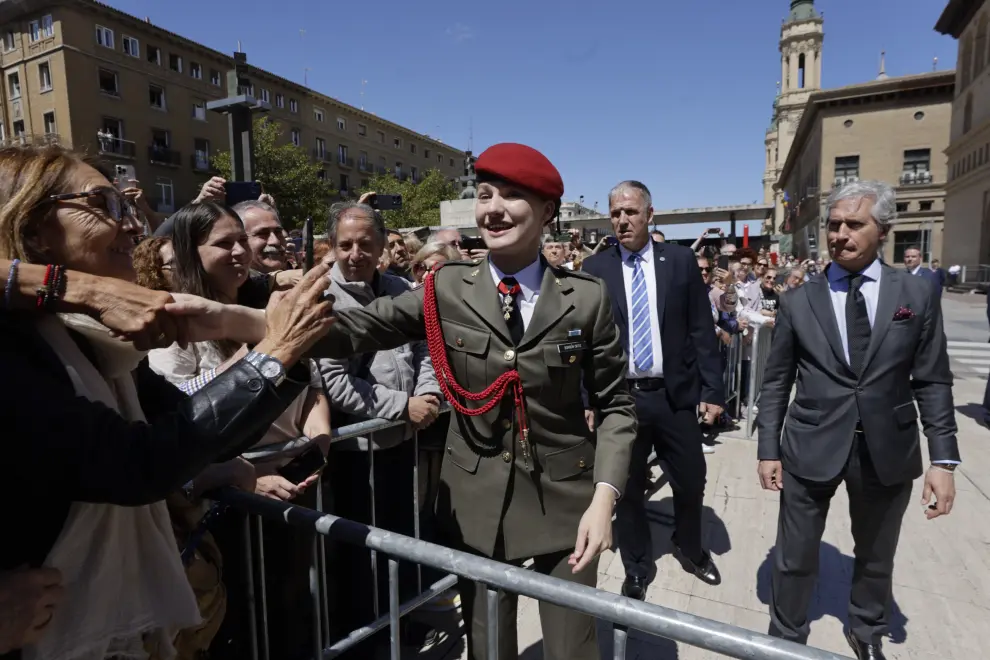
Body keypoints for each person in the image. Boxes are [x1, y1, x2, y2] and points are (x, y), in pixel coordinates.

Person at [0, 145, 335, 659]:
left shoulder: (100, 344)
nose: (134, 226)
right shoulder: (17, 349)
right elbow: (135, 464)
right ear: (33, 230)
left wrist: (267, 349)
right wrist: (271, 357)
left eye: (126, 206)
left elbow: (190, 431)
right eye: (105, 204)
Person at [310, 142, 636, 660]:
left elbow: (617, 404)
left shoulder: (587, 297)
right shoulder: (445, 289)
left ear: (548, 212)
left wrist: (604, 497)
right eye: (485, 194)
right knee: (488, 648)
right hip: (475, 504)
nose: (493, 208)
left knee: (573, 649)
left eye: (511, 195)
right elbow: (358, 328)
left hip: (567, 503)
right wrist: (236, 319)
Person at [757, 180, 959, 660]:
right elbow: (776, 382)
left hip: (887, 449)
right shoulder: (798, 299)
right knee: (795, 555)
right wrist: (768, 447)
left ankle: (865, 630)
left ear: (882, 230)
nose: (840, 234)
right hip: (809, 446)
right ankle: (785, 636)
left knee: (875, 555)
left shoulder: (915, 294)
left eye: (854, 224)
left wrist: (944, 459)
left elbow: (932, 380)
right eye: (833, 224)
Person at [583, 181, 725, 600]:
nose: (622, 220)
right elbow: (587, 342)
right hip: (621, 400)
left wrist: (712, 391)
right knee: (624, 488)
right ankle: (638, 566)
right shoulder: (596, 269)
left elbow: (702, 329)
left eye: (630, 212)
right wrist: (588, 399)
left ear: (649, 215)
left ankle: (691, 545)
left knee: (691, 479)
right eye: (615, 213)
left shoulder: (679, 262)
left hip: (674, 396)